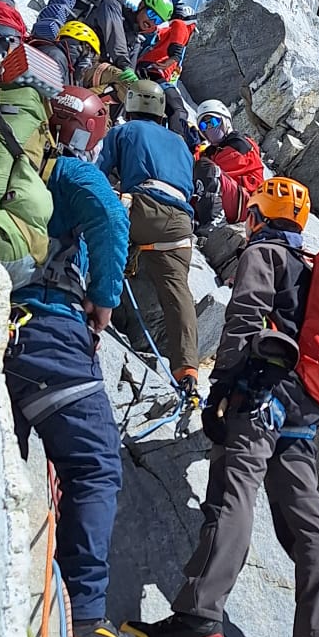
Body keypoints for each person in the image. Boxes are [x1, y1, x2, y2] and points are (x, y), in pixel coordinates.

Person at [123, 177, 319, 637]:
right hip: (302, 411)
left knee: (231, 497)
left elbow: (244, 316)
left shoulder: (264, 253)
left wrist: (222, 388)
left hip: (260, 396)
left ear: (257, 216)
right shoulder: (311, 269)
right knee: (306, 520)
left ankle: (198, 617)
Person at [5, 88, 137, 637]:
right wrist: (104, 299)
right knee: (94, 466)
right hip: (51, 333)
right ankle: (83, 618)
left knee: (6, 469)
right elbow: (110, 217)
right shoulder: (70, 173)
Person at [98, 80, 200, 406]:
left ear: (130, 106)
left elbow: (97, 174)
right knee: (177, 292)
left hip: (142, 208)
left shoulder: (123, 131)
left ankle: (86, 306)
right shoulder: (181, 143)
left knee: (96, 228)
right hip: (180, 223)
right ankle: (187, 370)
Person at [193, 99, 264, 221]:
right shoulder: (214, 150)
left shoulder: (238, 145)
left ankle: (212, 221)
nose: (210, 128)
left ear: (225, 121)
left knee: (207, 170)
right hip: (235, 198)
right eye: (204, 126)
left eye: (214, 122)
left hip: (246, 202)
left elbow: (216, 172)